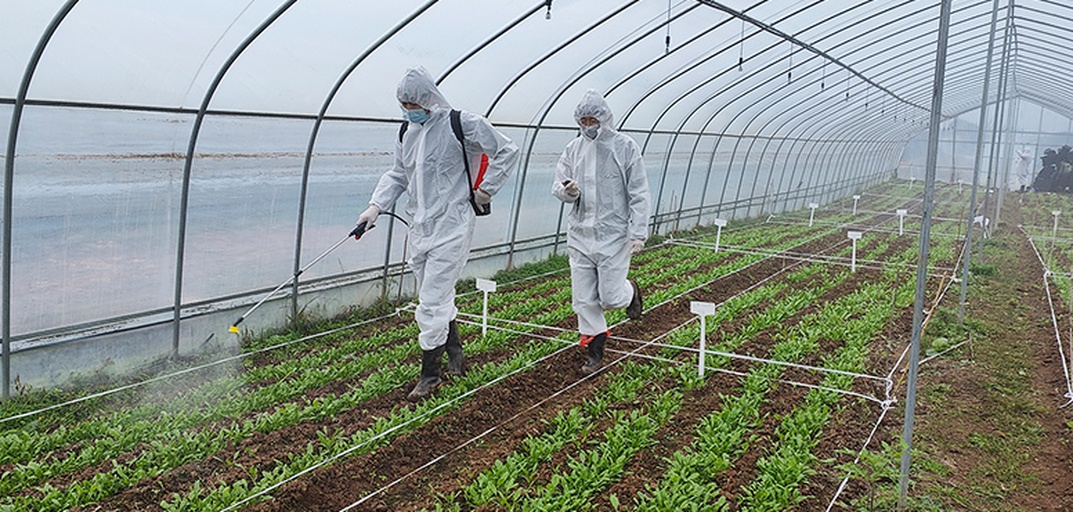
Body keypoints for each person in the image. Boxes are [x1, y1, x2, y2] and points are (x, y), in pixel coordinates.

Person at [356, 66, 519, 401]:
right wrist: (374, 208)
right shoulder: (407, 132)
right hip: (419, 226)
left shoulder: (462, 123)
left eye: (412, 104)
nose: (408, 110)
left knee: (430, 300)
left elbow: (507, 150)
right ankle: (456, 354)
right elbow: (398, 174)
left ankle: (430, 375)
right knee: (437, 295)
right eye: (403, 105)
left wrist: (486, 190)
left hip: (452, 225)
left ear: (427, 99)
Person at [551, 89, 650, 375]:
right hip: (580, 233)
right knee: (583, 299)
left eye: (593, 119)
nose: (588, 124)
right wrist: (567, 190)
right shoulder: (573, 149)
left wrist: (638, 232)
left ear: (605, 118)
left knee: (609, 298)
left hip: (613, 234)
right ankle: (595, 354)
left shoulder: (624, 147)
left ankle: (630, 293)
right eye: (583, 120)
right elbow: (558, 184)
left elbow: (639, 191)